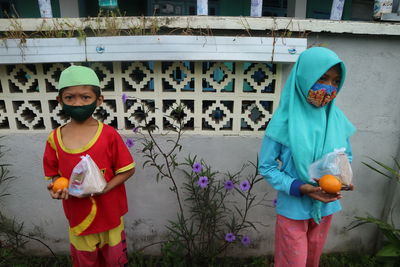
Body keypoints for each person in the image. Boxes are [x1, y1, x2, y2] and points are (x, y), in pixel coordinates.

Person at [258, 47, 356, 267]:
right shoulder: (284, 122)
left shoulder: (336, 118)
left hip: (326, 205)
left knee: (312, 260)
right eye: (322, 78)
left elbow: (344, 155)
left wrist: (343, 177)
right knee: (292, 263)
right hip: (294, 208)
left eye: (335, 81)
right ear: (304, 76)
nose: (329, 87)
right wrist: (301, 187)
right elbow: (267, 167)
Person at [43, 65, 135, 266]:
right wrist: (56, 187)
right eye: (70, 98)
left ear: (99, 100)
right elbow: (53, 175)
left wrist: (105, 188)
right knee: (85, 261)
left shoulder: (109, 135)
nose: (78, 103)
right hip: (79, 220)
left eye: (85, 97)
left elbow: (128, 169)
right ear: (60, 101)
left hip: (110, 216)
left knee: (115, 261)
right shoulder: (54, 139)